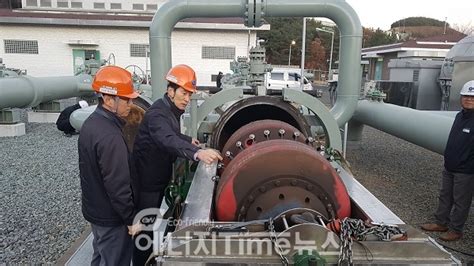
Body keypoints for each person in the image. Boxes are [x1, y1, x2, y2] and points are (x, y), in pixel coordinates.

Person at [132, 64, 222, 265]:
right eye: (183, 93)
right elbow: (165, 139)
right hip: (147, 183)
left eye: (189, 95)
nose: (187, 99)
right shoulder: (158, 113)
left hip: (155, 179)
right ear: (170, 90)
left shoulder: (168, 109)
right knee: (144, 229)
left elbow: (172, 134)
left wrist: (187, 139)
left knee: (150, 223)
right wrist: (197, 153)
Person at [78, 65, 141, 265]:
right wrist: (130, 220)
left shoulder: (91, 124)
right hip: (112, 218)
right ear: (108, 99)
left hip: (96, 213)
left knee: (100, 257)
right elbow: (118, 184)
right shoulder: (110, 136)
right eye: (126, 99)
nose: (131, 104)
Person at [421, 80, 474, 241]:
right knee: (445, 195)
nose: (469, 100)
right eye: (466, 96)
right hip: (450, 166)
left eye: (472, 97)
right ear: (461, 98)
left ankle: (456, 230)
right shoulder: (460, 116)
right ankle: (441, 222)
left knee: (461, 201)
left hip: (466, 170)